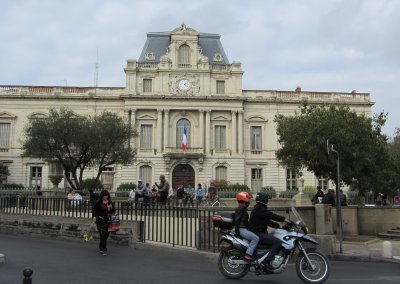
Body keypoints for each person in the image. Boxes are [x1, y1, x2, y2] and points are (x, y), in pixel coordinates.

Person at [248, 192, 290, 267]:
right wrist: (284, 219)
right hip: (258, 234)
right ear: (264, 200)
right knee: (277, 242)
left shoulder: (258, 208)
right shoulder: (259, 209)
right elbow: (271, 215)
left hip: (258, 233)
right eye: (267, 199)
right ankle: (266, 261)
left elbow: (267, 221)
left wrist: (279, 226)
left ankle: (266, 257)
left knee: (274, 237)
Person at [234, 192, 259, 261]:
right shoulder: (241, 208)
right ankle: (248, 255)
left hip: (243, 229)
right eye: (248, 199)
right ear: (244, 199)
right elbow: (237, 220)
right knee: (256, 238)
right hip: (242, 229)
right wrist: (237, 232)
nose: (249, 201)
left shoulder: (242, 208)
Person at [92, 190, 115, 256]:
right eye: (104, 196)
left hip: (108, 221)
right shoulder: (98, 203)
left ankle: (101, 245)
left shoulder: (110, 202)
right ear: (102, 196)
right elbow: (94, 210)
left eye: (107, 195)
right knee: (103, 234)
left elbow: (114, 210)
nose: (106, 197)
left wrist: (110, 208)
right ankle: (104, 249)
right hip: (100, 220)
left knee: (106, 235)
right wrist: (94, 217)